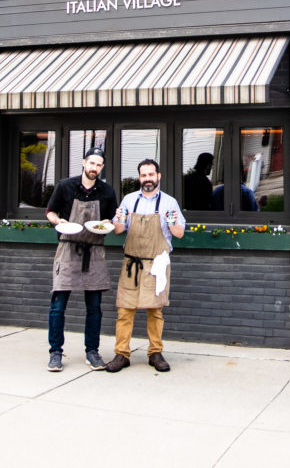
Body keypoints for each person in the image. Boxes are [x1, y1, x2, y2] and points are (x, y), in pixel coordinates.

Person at [105, 158, 185, 373]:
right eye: (143, 175)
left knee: (155, 310)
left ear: (158, 176)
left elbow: (178, 233)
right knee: (124, 310)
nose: (147, 179)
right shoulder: (129, 201)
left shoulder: (169, 203)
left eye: (151, 174)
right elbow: (118, 230)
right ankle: (121, 354)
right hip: (132, 261)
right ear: (139, 177)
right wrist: (118, 220)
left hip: (157, 263)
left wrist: (171, 222)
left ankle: (155, 352)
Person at [44, 146, 118, 372]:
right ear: (84, 162)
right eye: (91, 163)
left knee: (94, 307)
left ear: (102, 167)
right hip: (67, 249)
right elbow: (50, 212)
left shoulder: (107, 191)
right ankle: (55, 352)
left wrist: (106, 223)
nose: (94, 168)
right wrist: (59, 222)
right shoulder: (65, 186)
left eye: (99, 165)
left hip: (94, 250)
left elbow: (111, 217)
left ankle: (92, 351)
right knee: (58, 306)